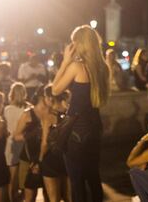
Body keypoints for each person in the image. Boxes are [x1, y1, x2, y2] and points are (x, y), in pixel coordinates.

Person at [52, 25, 111, 202]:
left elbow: (55, 90)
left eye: (74, 42)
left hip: (76, 130)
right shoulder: (103, 68)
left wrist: (64, 62)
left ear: (80, 44)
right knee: (94, 178)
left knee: (77, 182)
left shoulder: (77, 67)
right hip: (95, 127)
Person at [13, 88, 48, 202]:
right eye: (48, 96)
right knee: (29, 194)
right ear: (41, 98)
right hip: (29, 158)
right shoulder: (28, 114)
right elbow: (16, 136)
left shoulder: (51, 112)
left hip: (47, 156)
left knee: (49, 193)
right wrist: (30, 135)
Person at [39, 86, 71, 202]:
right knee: (69, 196)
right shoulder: (69, 113)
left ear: (50, 98)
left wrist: (40, 159)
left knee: (54, 198)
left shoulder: (48, 116)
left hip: (51, 159)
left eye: (45, 97)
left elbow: (45, 142)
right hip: (67, 157)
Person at [5, 82, 28, 202]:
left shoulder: (7, 110)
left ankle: (11, 199)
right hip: (24, 144)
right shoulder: (28, 109)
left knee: (12, 178)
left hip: (10, 145)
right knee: (23, 178)